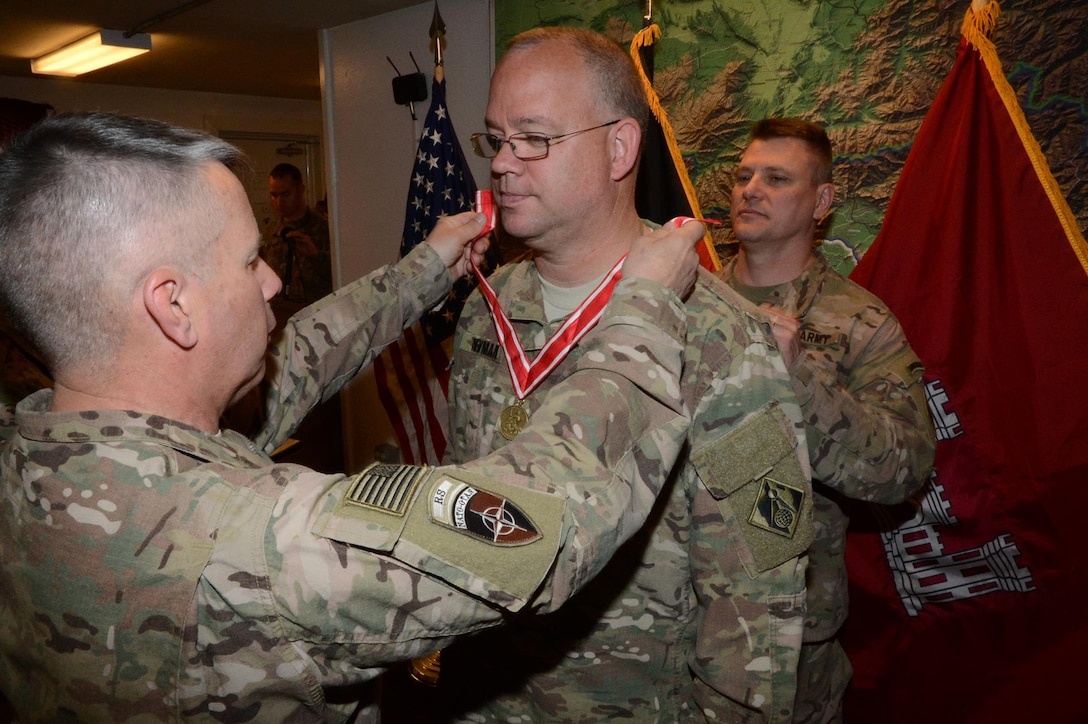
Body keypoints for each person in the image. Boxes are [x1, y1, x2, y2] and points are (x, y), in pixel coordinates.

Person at [0, 112, 709, 721]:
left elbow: (293, 361)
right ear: (172, 305)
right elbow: (541, 523)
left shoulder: (36, 452)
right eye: (250, 262)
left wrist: (425, 270)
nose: (273, 279)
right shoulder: (263, 543)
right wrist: (644, 309)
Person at [437, 27, 814, 722]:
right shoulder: (488, 312)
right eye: (496, 139)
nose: (504, 165)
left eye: (535, 139)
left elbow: (759, 596)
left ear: (619, 147)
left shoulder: (717, 334)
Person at [718, 117, 936, 722]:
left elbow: (904, 469)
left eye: (776, 178)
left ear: (822, 202)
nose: (749, 189)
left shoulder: (859, 322)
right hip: (681, 615)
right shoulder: (686, 303)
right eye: (743, 175)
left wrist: (800, 384)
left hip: (792, 637)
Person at [263, 161, 333, 311]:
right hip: (280, 313)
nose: (279, 202)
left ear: (301, 190)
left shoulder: (326, 228)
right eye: (274, 195)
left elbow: (342, 275)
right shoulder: (270, 231)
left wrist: (315, 256)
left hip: (316, 313)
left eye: (286, 194)